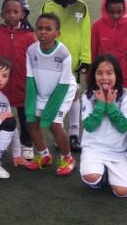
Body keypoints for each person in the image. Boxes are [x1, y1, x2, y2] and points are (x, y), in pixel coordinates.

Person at [41, 0, 91, 152]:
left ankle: (74, 134)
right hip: (53, 59)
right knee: (56, 95)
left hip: (74, 60)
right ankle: (59, 135)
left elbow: (86, 33)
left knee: (74, 95)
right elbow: (43, 31)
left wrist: (85, 58)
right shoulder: (48, 6)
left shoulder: (82, 6)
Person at [24, 13, 78, 176]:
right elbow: (30, 80)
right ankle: (44, 155)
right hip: (42, 89)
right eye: (40, 28)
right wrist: (31, 107)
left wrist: (49, 111)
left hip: (62, 90)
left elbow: (63, 85)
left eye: (48, 29)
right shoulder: (31, 51)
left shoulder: (63, 53)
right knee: (31, 121)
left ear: (57, 33)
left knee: (54, 123)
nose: (43, 32)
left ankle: (67, 158)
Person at [0, 0, 37, 162]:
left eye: (15, 12)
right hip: (1, 85)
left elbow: (35, 60)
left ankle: (27, 144)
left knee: (25, 116)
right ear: (2, 14)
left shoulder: (29, 36)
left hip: (23, 83)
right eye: (8, 11)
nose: (11, 15)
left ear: (22, 14)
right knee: (1, 115)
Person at [80, 54, 127, 198]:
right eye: (99, 73)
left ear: (117, 75)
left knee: (123, 192)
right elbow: (89, 126)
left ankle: (109, 173)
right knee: (91, 178)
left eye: (109, 73)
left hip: (118, 150)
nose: (104, 77)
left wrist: (110, 105)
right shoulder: (87, 95)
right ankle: (101, 175)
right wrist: (101, 104)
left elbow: (124, 127)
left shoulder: (126, 96)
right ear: (94, 75)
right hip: (93, 148)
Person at [91, 0, 127, 93]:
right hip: (103, 79)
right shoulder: (97, 26)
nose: (115, 15)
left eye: (119, 12)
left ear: (125, 9)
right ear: (105, 10)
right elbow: (93, 53)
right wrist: (91, 78)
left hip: (124, 79)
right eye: (111, 12)